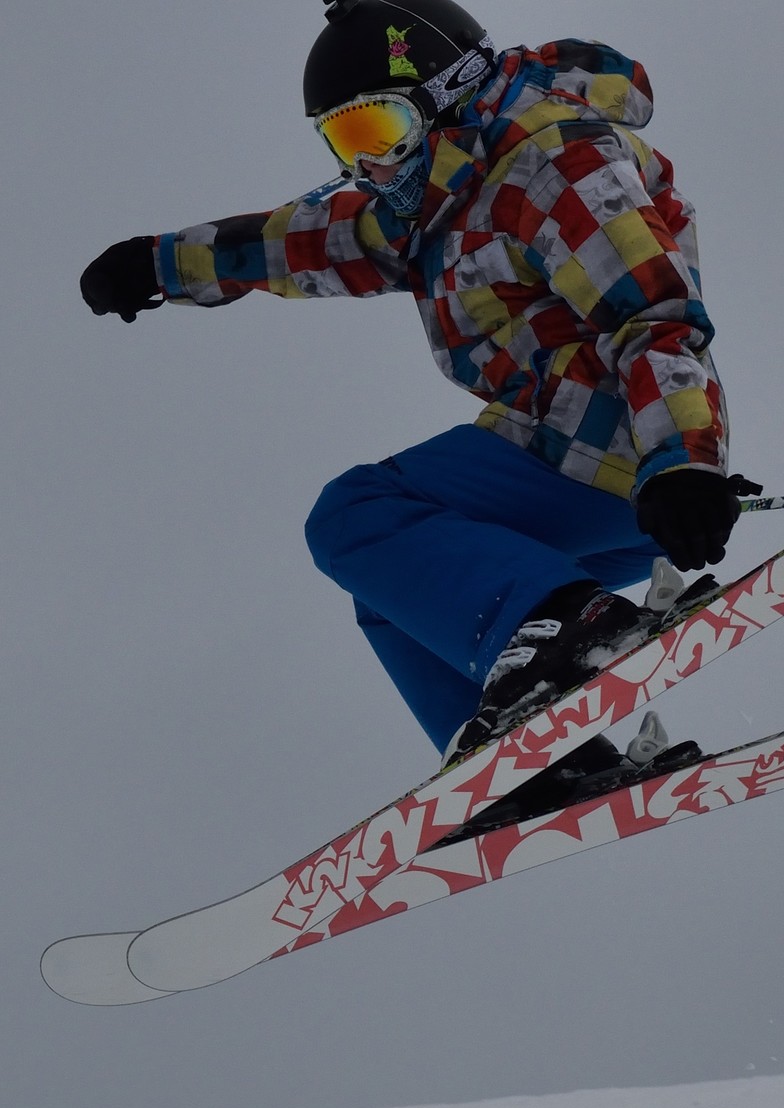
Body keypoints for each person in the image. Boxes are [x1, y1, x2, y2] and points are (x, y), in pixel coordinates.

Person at [80, 0, 745, 787]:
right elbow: (311, 241)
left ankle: (568, 628)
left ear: (446, 94)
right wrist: (160, 264)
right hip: (606, 482)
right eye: (343, 141)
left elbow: (652, 315)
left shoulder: (554, 159)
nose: (367, 162)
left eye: (377, 128)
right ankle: (531, 766)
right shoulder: (433, 202)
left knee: (357, 514)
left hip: (630, 451)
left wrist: (681, 462)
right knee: (398, 585)